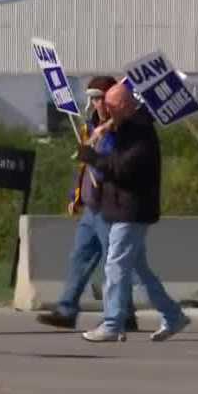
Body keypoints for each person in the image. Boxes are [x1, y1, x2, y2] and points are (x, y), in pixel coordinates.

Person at [77, 84, 190, 343]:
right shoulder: (126, 128)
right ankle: (173, 315)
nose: (107, 109)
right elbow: (114, 160)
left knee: (115, 265)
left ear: (127, 105)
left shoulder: (140, 133)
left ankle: (113, 322)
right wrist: (99, 138)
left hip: (133, 209)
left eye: (112, 104)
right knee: (140, 271)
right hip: (121, 207)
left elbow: (125, 168)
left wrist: (95, 159)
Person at [36, 77, 138, 332]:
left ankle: (123, 313)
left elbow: (113, 166)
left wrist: (95, 159)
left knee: (112, 264)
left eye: (100, 98)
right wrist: (75, 194)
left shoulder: (120, 131)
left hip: (110, 206)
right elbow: (83, 165)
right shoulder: (91, 128)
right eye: (92, 98)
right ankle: (67, 310)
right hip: (92, 208)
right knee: (79, 258)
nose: (96, 103)